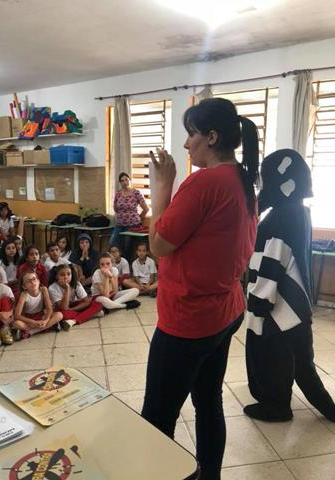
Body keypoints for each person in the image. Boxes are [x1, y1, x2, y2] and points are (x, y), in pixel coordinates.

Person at [141, 98, 259, 480]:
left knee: (156, 418)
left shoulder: (204, 182)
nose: (187, 144)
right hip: (225, 311)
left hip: (188, 322)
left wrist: (162, 186)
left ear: (212, 136)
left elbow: (158, 245)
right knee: (209, 402)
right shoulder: (243, 179)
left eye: (192, 133)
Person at [244, 148, 335, 423]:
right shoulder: (299, 212)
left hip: (278, 308)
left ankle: (277, 406)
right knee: (302, 364)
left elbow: (274, 259)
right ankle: (325, 408)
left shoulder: (281, 216)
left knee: (273, 357)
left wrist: (259, 303)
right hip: (296, 308)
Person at [48, 264, 103, 331]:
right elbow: (64, 307)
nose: (66, 277)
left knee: (98, 304)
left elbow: (86, 302)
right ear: (56, 276)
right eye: (62, 275)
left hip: (72, 307)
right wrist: (67, 288)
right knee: (64, 315)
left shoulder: (76, 284)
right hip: (61, 309)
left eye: (68, 274)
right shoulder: (52, 288)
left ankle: (73, 321)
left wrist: (72, 309)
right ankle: (89, 314)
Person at [110, 172, 149, 257]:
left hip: (132, 225)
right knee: (112, 242)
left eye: (126, 180)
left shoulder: (136, 193)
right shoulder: (118, 194)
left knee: (127, 246)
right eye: (122, 180)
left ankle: (127, 266)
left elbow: (146, 209)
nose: (124, 182)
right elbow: (116, 208)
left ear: (130, 181)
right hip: (120, 225)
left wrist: (139, 218)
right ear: (120, 183)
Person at [13, 271, 62, 339]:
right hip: (29, 319)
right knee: (16, 324)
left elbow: (49, 309)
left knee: (59, 315)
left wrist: (46, 320)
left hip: (41, 316)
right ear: (24, 286)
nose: (33, 282)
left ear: (38, 281)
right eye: (28, 281)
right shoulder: (24, 294)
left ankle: (32, 332)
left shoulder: (44, 289)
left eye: (34, 279)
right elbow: (17, 315)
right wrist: (33, 322)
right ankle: (48, 326)